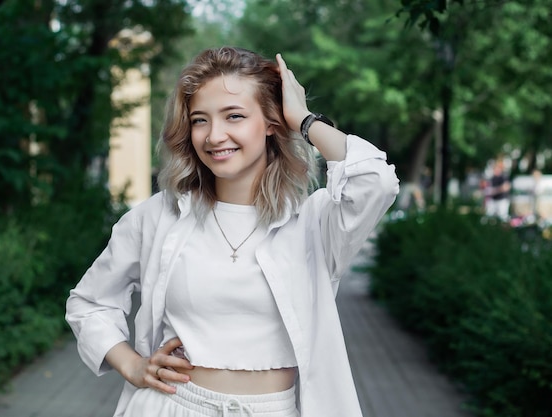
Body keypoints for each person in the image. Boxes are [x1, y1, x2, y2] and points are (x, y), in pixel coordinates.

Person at [65, 46, 399, 417]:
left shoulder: (313, 222)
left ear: (271, 123)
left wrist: (303, 119)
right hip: (174, 406)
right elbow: (90, 302)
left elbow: (376, 181)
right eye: (200, 120)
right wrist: (130, 363)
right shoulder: (160, 215)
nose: (214, 136)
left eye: (234, 116)